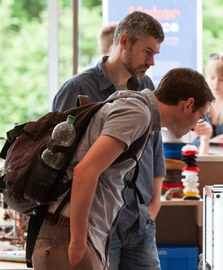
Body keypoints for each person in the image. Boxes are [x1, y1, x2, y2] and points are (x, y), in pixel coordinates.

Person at [32, 68, 215, 270]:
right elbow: (85, 172)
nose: (194, 127)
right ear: (188, 105)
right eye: (200, 117)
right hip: (68, 233)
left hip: (78, 230)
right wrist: (77, 242)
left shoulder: (136, 108)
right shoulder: (137, 113)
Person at [52, 11, 165, 270]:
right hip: (97, 224)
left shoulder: (146, 85)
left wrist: (154, 203)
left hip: (139, 220)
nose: (151, 62)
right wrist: (76, 234)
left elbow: (154, 146)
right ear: (124, 41)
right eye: (147, 52)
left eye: (155, 54)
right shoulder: (77, 89)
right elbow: (58, 161)